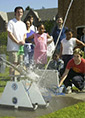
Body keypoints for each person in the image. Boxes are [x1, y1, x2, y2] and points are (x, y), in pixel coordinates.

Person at [7, 6, 27, 78]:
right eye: (18, 12)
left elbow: (25, 34)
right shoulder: (11, 22)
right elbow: (10, 34)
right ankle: (12, 80)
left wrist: (23, 40)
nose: (19, 13)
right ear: (15, 13)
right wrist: (17, 42)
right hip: (13, 47)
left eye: (21, 12)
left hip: (21, 47)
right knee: (13, 64)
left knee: (20, 64)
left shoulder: (23, 24)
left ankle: (18, 79)